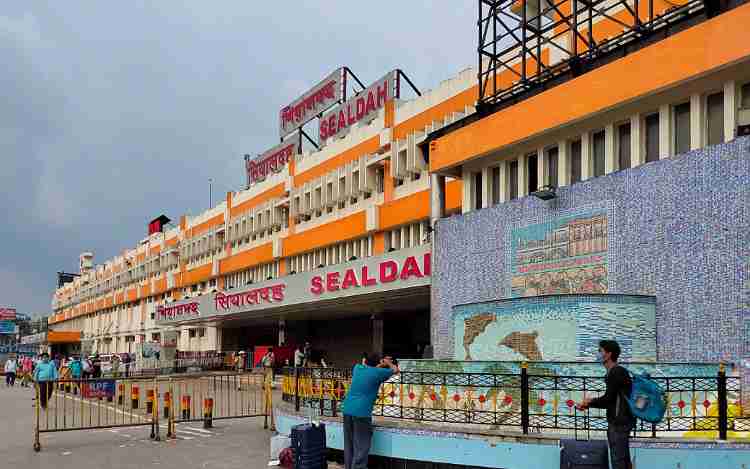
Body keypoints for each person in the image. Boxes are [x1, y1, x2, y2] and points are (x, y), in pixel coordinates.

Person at [577, 340, 635, 469]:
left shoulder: (616, 372)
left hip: (619, 422)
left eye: (600, 351)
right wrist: (589, 404)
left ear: (608, 354)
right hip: (621, 421)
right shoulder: (614, 372)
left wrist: (589, 402)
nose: (598, 354)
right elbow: (611, 400)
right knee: (623, 459)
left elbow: (608, 399)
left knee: (618, 460)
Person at [342, 354, 399, 469]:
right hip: (362, 413)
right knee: (361, 445)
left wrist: (380, 363)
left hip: (347, 409)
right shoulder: (378, 373)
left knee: (349, 443)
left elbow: (366, 363)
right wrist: (388, 363)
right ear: (377, 363)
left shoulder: (357, 368)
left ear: (365, 361)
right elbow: (396, 370)